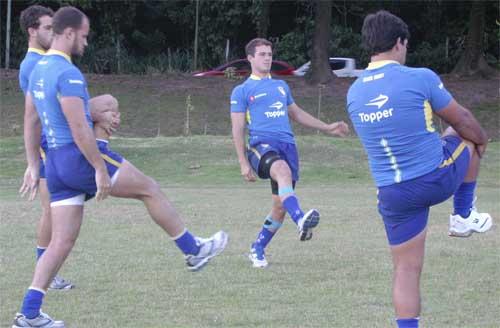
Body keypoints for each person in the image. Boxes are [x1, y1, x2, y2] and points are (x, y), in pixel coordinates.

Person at [14, 6, 228, 328]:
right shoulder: (67, 72)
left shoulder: (38, 70)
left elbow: (31, 122)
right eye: (84, 36)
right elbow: (79, 127)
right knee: (150, 189)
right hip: (78, 158)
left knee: (61, 242)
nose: (86, 43)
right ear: (69, 33)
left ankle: (29, 313)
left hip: (55, 165)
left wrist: (34, 163)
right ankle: (193, 249)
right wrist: (99, 168)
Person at [346, 10, 493, 328]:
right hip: (433, 177)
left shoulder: (354, 92)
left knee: (406, 270)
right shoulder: (419, 76)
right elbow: (462, 119)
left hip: (392, 193)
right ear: (399, 43)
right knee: (466, 137)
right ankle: (463, 215)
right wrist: (482, 141)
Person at [18, 4, 121, 290]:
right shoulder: (34, 65)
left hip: (57, 143)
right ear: (32, 31)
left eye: (55, 27)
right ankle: (45, 276)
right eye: (47, 28)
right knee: (52, 211)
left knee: (56, 213)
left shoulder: (50, 62)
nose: (54, 32)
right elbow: (37, 114)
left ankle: (45, 279)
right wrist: (32, 162)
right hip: (52, 144)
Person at [230, 38, 349, 268]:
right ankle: (301, 219)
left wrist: (327, 127)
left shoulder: (281, 87)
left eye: (269, 53)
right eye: (262, 54)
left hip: (288, 146)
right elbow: (237, 127)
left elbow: (297, 114)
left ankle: (257, 249)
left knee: (280, 206)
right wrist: (243, 162)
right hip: (261, 145)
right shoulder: (242, 90)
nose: (267, 57)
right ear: (251, 58)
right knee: (281, 171)